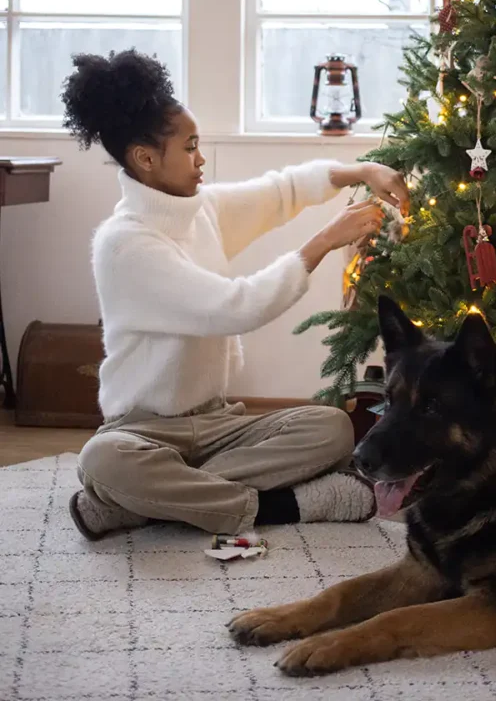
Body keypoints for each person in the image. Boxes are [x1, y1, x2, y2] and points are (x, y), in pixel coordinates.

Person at [61, 49, 408, 541]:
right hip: (143, 432)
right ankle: (282, 506)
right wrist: (327, 239)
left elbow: (281, 191)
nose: (201, 159)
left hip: (219, 423)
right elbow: (235, 307)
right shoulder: (124, 245)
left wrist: (363, 171)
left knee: (331, 429)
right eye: (190, 147)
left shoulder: (199, 209)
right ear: (145, 159)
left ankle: (142, 507)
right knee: (103, 462)